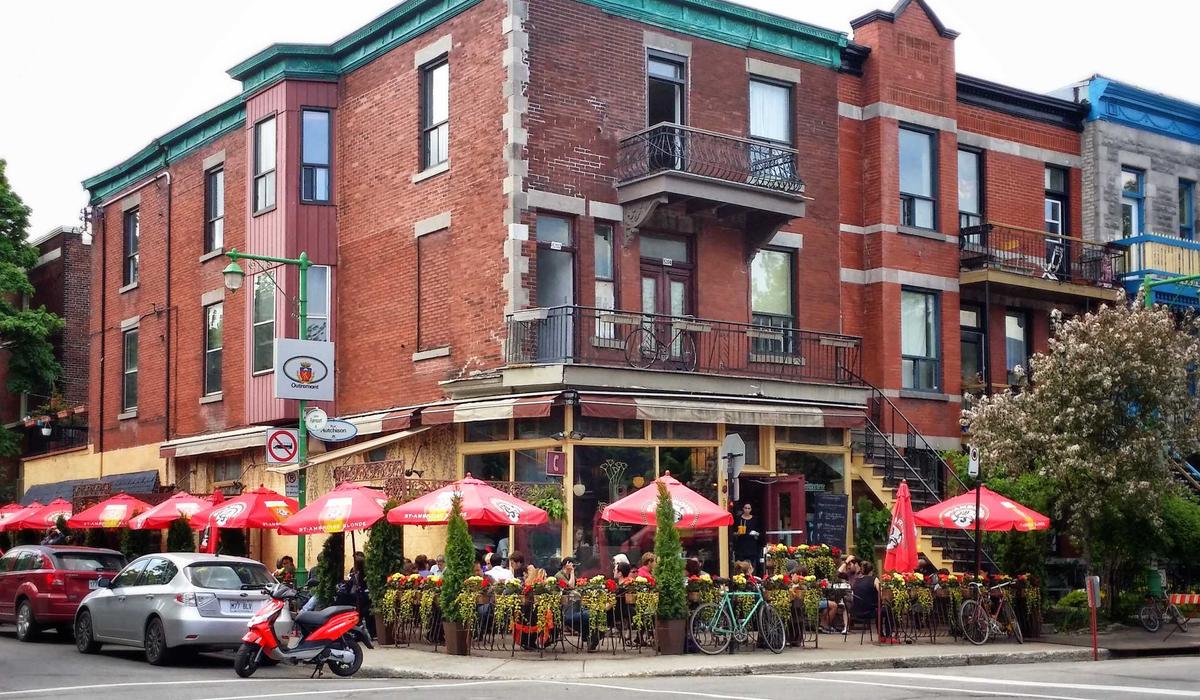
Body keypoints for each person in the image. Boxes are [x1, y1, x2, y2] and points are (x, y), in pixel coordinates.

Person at [732, 503, 763, 575]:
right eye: (745, 508)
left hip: (751, 545)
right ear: (743, 509)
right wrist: (737, 533)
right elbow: (733, 532)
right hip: (741, 545)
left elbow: (759, 533)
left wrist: (756, 534)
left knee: (752, 564)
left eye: (749, 508)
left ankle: (751, 577)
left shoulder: (755, 519)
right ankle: (740, 577)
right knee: (740, 564)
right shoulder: (738, 519)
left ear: (751, 510)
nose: (747, 510)